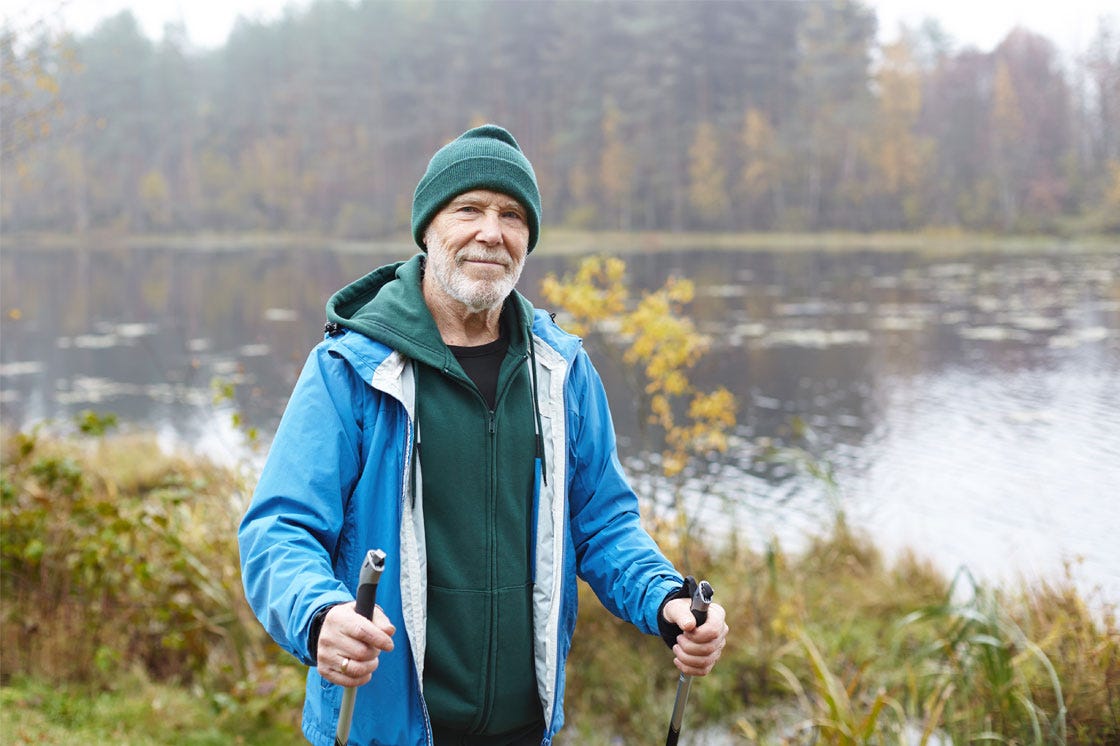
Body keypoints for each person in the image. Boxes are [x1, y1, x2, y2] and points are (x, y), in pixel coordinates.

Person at [238, 124, 729, 746]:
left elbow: (603, 523)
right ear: (429, 228)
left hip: (526, 729)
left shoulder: (562, 372)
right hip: (384, 731)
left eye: (512, 215)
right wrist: (321, 615)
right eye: (468, 209)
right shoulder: (351, 370)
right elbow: (279, 528)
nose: (491, 233)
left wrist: (665, 600)